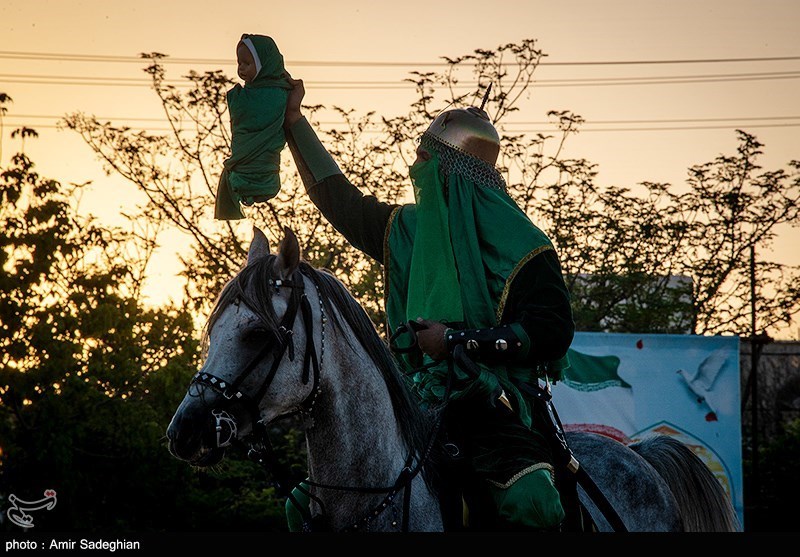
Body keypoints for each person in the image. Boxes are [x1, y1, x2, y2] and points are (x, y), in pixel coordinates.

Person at [282, 75, 575, 532]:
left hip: (496, 404)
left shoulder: (527, 247)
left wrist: (456, 339)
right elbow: (339, 201)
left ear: (453, 170)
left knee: (531, 500)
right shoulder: (406, 230)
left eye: (424, 157)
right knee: (305, 506)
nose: (413, 168)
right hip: (411, 397)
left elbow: (553, 333)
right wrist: (294, 122)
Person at [214, 34, 292, 220]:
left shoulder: (278, 95)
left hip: (265, 167)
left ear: (265, 63)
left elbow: (246, 109)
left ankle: (250, 183)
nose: (241, 68)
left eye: (247, 63)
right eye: (239, 63)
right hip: (248, 164)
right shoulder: (282, 92)